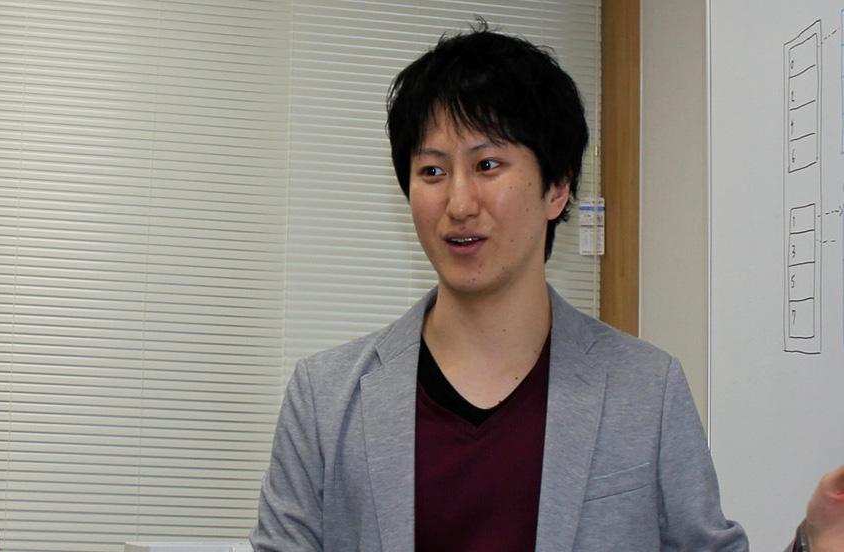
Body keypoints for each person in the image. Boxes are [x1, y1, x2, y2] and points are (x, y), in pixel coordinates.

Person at [251, 24, 844, 551]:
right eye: (432, 171)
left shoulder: (647, 388)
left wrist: (813, 546)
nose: (458, 202)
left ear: (557, 188)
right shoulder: (325, 398)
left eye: (487, 165)